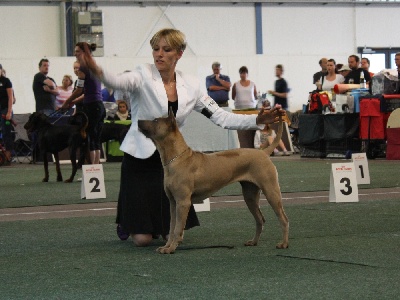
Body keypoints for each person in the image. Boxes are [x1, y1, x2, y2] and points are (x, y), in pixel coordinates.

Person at [76, 28, 286, 247]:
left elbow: (221, 117)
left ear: (179, 54)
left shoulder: (192, 85)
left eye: (166, 50)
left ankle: (158, 227)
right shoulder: (142, 75)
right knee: (142, 240)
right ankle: (129, 222)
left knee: (170, 235)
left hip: (171, 162)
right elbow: (116, 82)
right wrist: (93, 67)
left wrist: (256, 119)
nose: (159, 54)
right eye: (156, 49)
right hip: (139, 158)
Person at [61, 43, 105, 165]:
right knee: (96, 139)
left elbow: (79, 90)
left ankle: (92, 170)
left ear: (84, 52)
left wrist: (66, 102)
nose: (75, 53)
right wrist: (72, 102)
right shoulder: (94, 66)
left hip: (91, 107)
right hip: (100, 106)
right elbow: (88, 92)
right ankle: (96, 169)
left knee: (89, 139)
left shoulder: (83, 69)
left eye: (77, 51)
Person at [232, 66, 258, 148]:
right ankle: (241, 144)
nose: (243, 75)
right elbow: (233, 96)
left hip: (251, 108)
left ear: (247, 74)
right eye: (241, 73)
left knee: (250, 127)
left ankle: (251, 144)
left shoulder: (252, 84)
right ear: (240, 74)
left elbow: (256, 96)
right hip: (239, 109)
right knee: (241, 127)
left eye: (244, 73)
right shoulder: (236, 84)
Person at [0, 63, 14, 163]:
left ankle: (8, 155)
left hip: (5, 110)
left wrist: (9, 112)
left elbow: (11, 98)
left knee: (6, 132)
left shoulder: (6, 81)